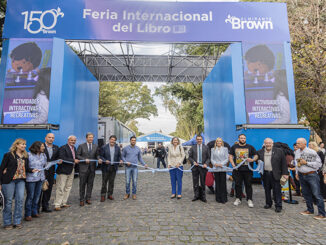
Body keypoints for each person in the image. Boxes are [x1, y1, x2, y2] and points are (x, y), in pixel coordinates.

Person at [0, 139, 29, 229]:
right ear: (16, 145)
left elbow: (26, 168)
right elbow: (1, 169)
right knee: (8, 202)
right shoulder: (8, 155)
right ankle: (7, 223)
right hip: (9, 181)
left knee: (20, 200)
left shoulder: (25, 156)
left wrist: (33, 170)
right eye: (22, 144)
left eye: (25, 144)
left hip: (20, 180)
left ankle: (17, 221)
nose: (24, 146)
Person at [295, 138, 325, 220]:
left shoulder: (312, 152)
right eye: (297, 143)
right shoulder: (297, 152)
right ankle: (309, 210)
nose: (297, 145)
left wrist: (307, 163)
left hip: (311, 175)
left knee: (317, 194)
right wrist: (297, 173)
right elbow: (296, 162)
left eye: (299, 143)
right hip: (301, 175)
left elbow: (319, 164)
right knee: (306, 193)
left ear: (304, 144)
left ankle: (322, 214)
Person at [257, 138, 288, 212]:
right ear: (264, 144)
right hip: (265, 174)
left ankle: (278, 205)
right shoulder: (260, 152)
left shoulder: (279, 151)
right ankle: (268, 203)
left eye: (269, 143)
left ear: (272, 144)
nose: (268, 144)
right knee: (267, 190)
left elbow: (284, 163)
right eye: (266, 143)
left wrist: (285, 173)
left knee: (277, 190)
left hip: (276, 174)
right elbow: (257, 162)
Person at [229, 134, 258, 208]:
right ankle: (238, 198)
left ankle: (249, 199)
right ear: (238, 139)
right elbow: (230, 156)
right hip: (237, 170)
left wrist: (252, 159)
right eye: (241, 138)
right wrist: (233, 165)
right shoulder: (234, 147)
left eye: (244, 138)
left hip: (248, 170)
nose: (243, 139)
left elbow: (256, 155)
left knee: (248, 184)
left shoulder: (250, 147)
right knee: (237, 184)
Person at [54, 135, 79, 211]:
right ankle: (57, 204)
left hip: (71, 170)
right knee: (60, 187)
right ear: (68, 140)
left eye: (74, 140)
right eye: (72, 140)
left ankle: (63, 202)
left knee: (68, 187)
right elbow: (62, 157)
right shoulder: (63, 148)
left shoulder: (74, 148)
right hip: (63, 171)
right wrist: (73, 160)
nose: (73, 142)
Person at [76, 132, 101, 206]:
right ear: (86, 138)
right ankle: (81, 199)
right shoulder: (81, 146)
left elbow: (97, 155)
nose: (91, 139)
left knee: (90, 184)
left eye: (92, 137)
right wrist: (84, 159)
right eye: (89, 137)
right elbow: (77, 155)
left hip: (92, 169)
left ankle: (88, 198)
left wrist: (99, 159)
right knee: (82, 184)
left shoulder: (95, 146)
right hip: (83, 169)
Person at [25, 141, 47, 221]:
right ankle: (27, 213)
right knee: (30, 196)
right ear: (37, 147)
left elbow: (44, 165)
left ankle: (34, 211)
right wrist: (31, 170)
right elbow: (25, 167)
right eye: (42, 146)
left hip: (40, 178)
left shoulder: (43, 155)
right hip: (31, 178)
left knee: (37, 196)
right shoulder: (28, 155)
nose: (43, 148)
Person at [39, 133, 59, 213]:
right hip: (41, 171)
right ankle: (36, 207)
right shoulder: (41, 146)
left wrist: (59, 161)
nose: (51, 139)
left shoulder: (56, 148)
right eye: (49, 137)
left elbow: (57, 158)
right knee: (40, 190)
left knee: (49, 189)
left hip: (51, 171)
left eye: (52, 138)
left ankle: (45, 206)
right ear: (45, 138)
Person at [99, 135, 122, 202]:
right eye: (112, 139)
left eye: (114, 140)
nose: (113, 141)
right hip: (105, 167)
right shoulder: (104, 147)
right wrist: (104, 160)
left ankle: (110, 194)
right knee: (104, 182)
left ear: (115, 141)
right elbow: (101, 156)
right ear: (109, 140)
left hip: (114, 167)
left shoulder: (117, 148)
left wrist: (120, 160)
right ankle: (103, 195)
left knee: (111, 182)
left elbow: (119, 156)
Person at [188, 135, 210, 202]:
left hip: (203, 167)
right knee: (195, 182)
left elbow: (209, 158)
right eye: (198, 139)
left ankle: (203, 196)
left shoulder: (206, 147)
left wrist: (206, 163)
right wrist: (193, 162)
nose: (199, 140)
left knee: (203, 182)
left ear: (202, 140)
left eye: (200, 139)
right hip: (195, 167)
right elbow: (189, 157)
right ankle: (196, 195)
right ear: (196, 140)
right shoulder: (192, 147)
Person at [210, 138, 229, 204]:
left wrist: (222, 164)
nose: (219, 142)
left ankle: (224, 198)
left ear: (222, 142)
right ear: (216, 142)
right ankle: (218, 198)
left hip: (223, 168)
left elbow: (227, 158)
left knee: (223, 183)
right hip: (216, 168)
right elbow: (211, 159)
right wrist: (215, 164)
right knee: (217, 183)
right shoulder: (212, 149)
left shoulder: (225, 149)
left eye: (220, 141)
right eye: (217, 141)